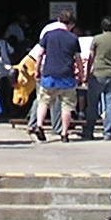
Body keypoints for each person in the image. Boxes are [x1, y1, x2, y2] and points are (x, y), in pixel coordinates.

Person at [34, 9, 80, 142]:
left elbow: (40, 54)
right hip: (67, 76)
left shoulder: (48, 35)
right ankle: (64, 133)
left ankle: (39, 125)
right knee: (67, 106)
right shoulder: (73, 38)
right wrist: (82, 76)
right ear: (71, 24)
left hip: (49, 74)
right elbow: (77, 60)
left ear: (58, 20)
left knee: (43, 101)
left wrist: (37, 70)